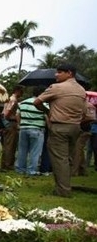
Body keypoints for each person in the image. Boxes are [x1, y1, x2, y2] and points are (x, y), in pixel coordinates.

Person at [34, 62, 87, 197]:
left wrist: (47, 111)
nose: (56, 74)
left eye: (59, 72)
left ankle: (63, 190)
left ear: (69, 73)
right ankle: (65, 185)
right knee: (68, 159)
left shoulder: (57, 87)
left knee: (59, 159)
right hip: (75, 127)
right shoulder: (81, 90)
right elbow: (85, 111)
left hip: (59, 126)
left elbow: (37, 102)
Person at [15, 86, 47, 176]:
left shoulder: (23, 102)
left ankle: (20, 169)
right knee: (35, 151)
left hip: (23, 128)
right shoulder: (43, 104)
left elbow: (17, 114)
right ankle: (32, 170)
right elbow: (46, 116)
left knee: (22, 150)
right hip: (37, 129)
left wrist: (19, 124)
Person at [1, 85, 24, 170]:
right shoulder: (13, 100)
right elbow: (8, 112)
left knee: (7, 144)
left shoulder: (9, 98)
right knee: (10, 145)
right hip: (10, 123)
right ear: (17, 91)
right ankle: (8, 164)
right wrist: (10, 118)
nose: (22, 94)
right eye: (21, 91)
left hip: (8, 122)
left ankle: (5, 163)